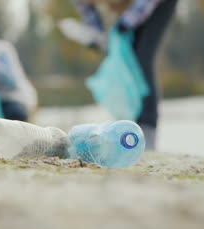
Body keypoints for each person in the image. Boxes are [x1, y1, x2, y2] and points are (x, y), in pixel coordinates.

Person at [63, 0, 178, 150]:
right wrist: (93, 38)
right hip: (132, 9)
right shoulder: (80, 2)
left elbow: (143, 6)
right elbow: (95, 27)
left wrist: (126, 22)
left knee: (142, 60)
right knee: (129, 62)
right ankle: (135, 126)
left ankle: (148, 129)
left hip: (155, 3)